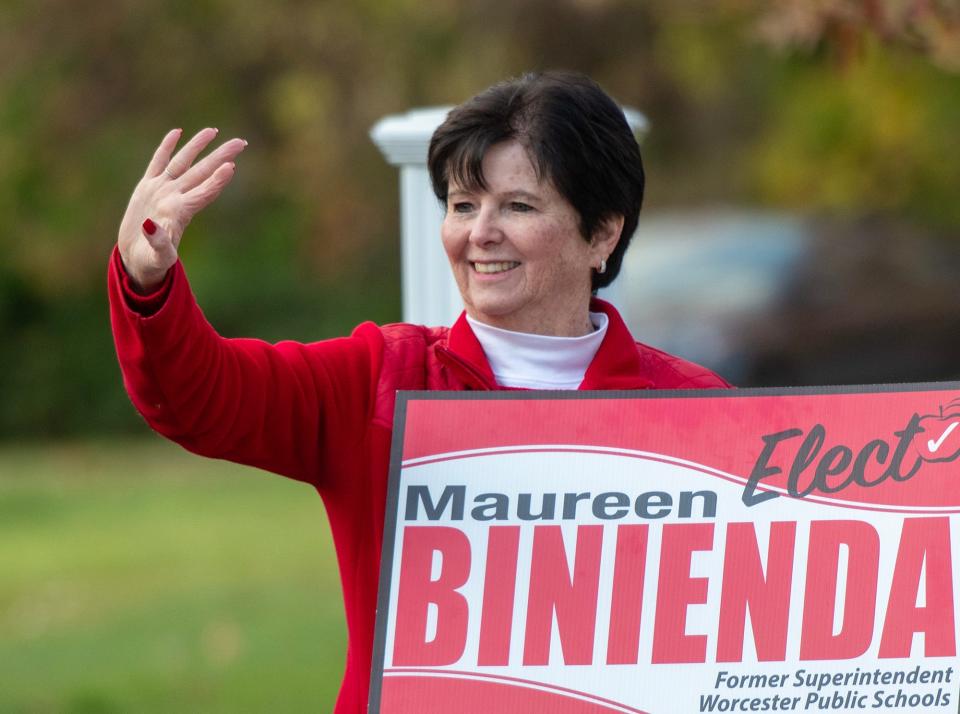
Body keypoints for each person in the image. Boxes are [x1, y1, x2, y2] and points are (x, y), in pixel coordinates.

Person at [109, 71, 730, 713]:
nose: (479, 233)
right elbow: (199, 398)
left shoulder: (696, 409)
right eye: (463, 205)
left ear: (601, 232)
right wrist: (145, 279)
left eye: (517, 206)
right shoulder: (382, 379)